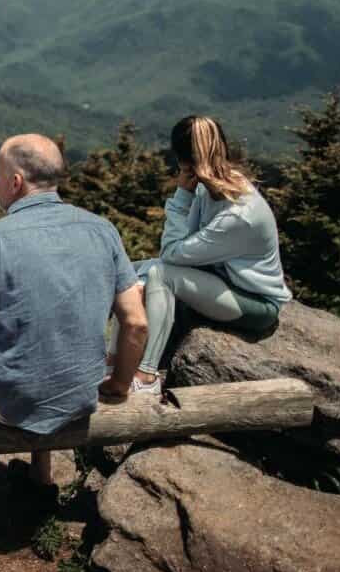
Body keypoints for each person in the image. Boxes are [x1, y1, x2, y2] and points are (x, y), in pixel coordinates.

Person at [0, 134, 149, 488]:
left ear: (15, 182)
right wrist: (119, 384)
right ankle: (40, 472)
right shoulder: (103, 231)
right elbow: (135, 323)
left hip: (12, 405)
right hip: (83, 396)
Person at [125, 116, 292, 397]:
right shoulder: (210, 188)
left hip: (255, 302)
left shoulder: (238, 214)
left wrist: (180, 197)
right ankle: (114, 362)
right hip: (222, 280)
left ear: (182, 161)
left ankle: (147, 375)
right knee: (128, 271)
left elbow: (172, 254)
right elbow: (182, 250)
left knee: (160, 275)